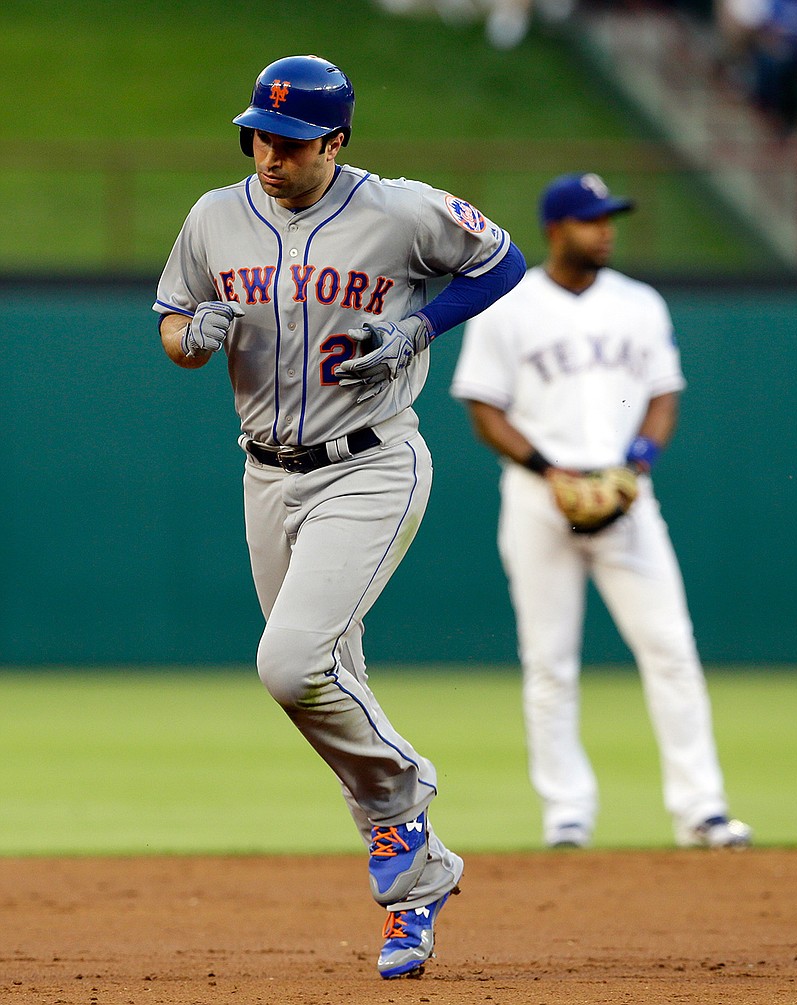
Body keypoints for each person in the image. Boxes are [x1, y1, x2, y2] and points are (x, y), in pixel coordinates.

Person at [153, 54, 525, 979]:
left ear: (336, 140)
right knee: (329, 678)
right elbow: (172, 324)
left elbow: (501, 259)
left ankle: (408, 802)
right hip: (265, 477)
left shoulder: (398, 210)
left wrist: (419, 326)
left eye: (289, 140)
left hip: (370, 465)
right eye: (258, 137)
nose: (268, 155)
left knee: (289, 663)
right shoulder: (213, 216)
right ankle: (414, 887)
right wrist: (188, 339)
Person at [450, 172, 752, 851]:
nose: (606, 229)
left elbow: (663, 395)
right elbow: (483, 408)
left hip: (626, 495)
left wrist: (637, 460)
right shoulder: (509, 303)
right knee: (549, 661)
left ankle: (701, 808)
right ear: (556, 230)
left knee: (671, 649)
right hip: (537, 501)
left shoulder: (639, 304)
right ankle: (567, 812)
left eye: (611, 216)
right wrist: (546, 470)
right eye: (592, 219)